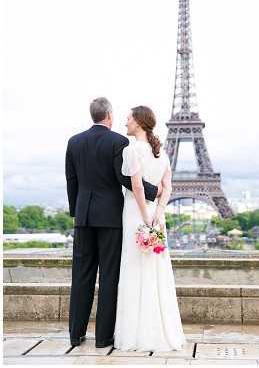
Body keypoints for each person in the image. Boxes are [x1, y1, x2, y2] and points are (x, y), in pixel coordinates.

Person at [65, 97, 159, 348]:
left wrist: (77, 211)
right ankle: (103, 337)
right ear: (108, 116)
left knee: (81, 276)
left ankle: (76, 334)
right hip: (110, 219)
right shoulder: (118, 142)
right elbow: (125, 178)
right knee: (108, 277)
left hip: (84, 218)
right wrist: (154, 192)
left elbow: (71, 181)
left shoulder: (74, 142)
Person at [113, 105, 186, 352]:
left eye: (129, 118)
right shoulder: (161, 154)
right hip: (157, 215)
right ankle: (160, 331)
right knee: (157, 273)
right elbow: (168, 188)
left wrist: (145, 218)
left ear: (140, 123)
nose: (125, 122)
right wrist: (158, 213)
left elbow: (137, 187)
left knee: (134, 270)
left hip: (136, 213)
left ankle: (136, 334)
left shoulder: (132, 150)